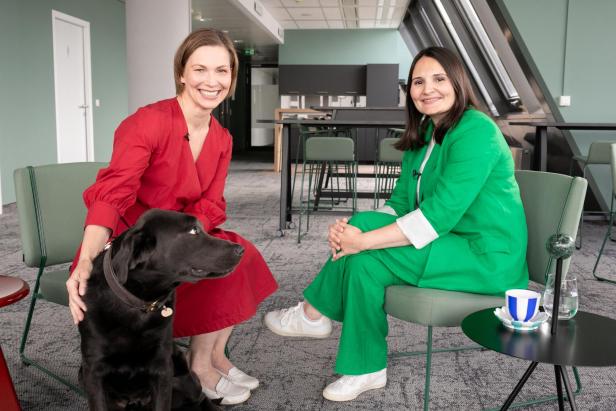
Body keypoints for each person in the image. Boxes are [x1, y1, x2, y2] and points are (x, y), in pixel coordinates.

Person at [264, 46, 529, 402]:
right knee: (362, 228)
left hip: (485, 255)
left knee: (366, 255)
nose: (427, 89)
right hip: (449, 241)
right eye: (418, 81)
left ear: (458, 82)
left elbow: (438, 216)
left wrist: (363, 242)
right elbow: (400, 204)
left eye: (438, 79)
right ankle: (353, 355)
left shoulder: (476, 130)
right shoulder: (425, 132)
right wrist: (355, 233)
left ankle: (328, 328)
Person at [66, 28, 278, 405]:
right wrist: (85, 259)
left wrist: (189, 240)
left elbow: (212, 204)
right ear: (182, 72)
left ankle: (211, 357)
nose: (211, 81)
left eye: (222, 71)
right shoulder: (148, 123)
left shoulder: (222, 138)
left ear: (232, 77)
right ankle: (200, 366)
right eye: (200, 69)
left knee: (239, 252)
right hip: (135, 249)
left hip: (178, 238)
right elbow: (113, 193)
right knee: (217, 261)